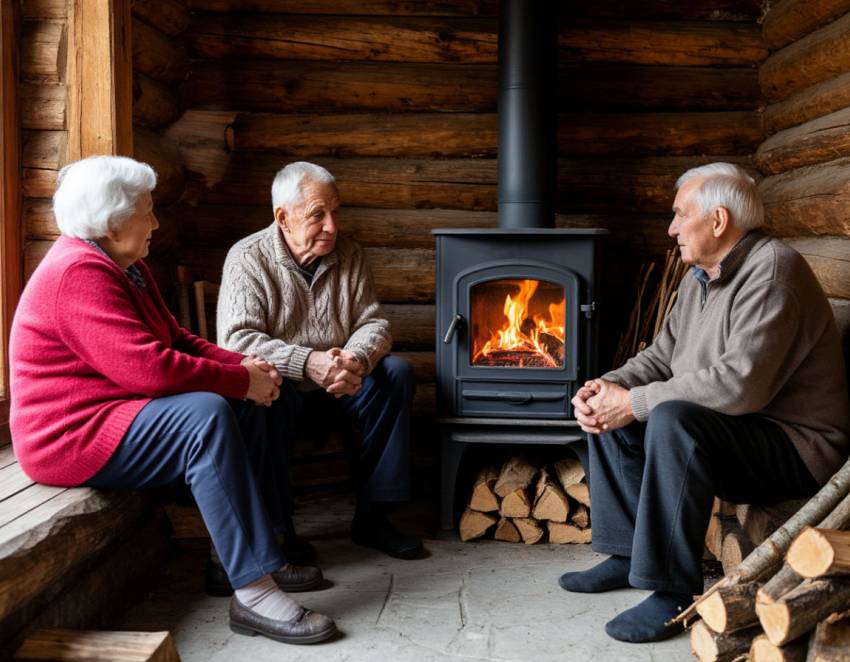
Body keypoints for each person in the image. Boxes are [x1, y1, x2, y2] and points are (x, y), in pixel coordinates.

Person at [10, 156, 336, 645]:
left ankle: (231, 562)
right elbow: (149, 369)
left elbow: (176, 341)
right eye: (147, 210)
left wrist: (242, 368)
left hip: (111, 410)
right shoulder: (77, 273)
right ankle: (255, 595)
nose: (156, 221)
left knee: (234, 401)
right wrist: (236, 380)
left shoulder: (125, 266)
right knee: (203, 416)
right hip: (69, 434)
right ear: (111, 221)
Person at [561, 162, 850, 643]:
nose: (672, 228)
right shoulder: (698, 276)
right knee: (615, 409)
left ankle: (671, 590)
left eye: (679, 215)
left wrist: (634, 401)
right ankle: (627, 552)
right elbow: (660, 356)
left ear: (717, 221)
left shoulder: (773, 273)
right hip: (739, 429)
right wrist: (608, 387)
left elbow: (740, 385)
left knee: (669, 416)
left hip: (795, 446)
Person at [217, 161, 422, 560]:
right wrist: (307, 361)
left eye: (335, 211)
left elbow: (374, 323)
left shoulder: (350, 255)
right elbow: (237, 340)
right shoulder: (247, 258)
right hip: (284, 392)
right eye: (317, 215)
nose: (332, 225)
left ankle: (373, 515)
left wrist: (355, 359)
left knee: (396, 373)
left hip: (341, 387)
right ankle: (282, 529)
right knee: (265, 390)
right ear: (283, 218)